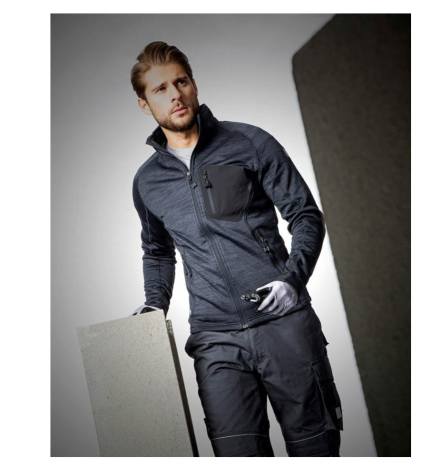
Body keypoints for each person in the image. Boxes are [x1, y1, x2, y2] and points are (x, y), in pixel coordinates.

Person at [129, 41, 343, 457]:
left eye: (181, 82)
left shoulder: (250, 142)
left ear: (194, 84)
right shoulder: (147, 182)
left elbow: (305, 214)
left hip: (285, 325)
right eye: (160, 89)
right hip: (215, 339)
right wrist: (155, 304)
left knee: (315, 450)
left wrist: (292, 280)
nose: (175, 95)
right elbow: (157, 251)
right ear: (144, 104)